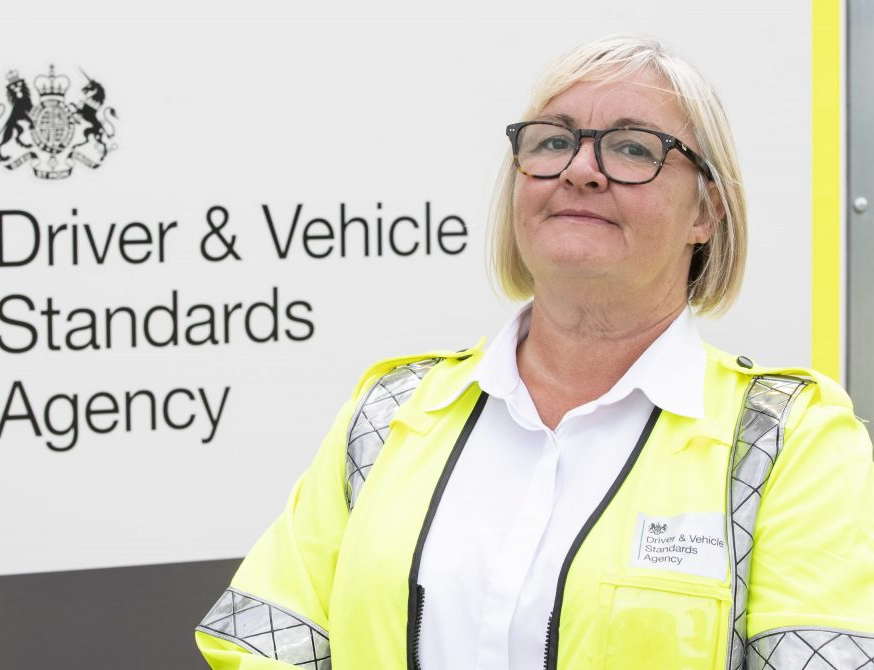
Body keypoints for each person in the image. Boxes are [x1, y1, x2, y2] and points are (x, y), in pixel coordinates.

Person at [195, 36, 874, 669]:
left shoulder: (786, 441)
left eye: (634, 149)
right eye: (553, 141)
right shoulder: (391, 410)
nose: (580, 170)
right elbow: (262, 650)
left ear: (705, 213)